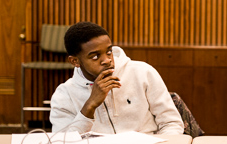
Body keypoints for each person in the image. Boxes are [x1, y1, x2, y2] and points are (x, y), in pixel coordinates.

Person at [50, 22, 184, 135]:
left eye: (109, 52)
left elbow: (171, 123)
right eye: (95, 57)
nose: (107, 60)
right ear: (75, 61)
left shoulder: (142, 72)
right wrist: (90, 106)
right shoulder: (64, 95)